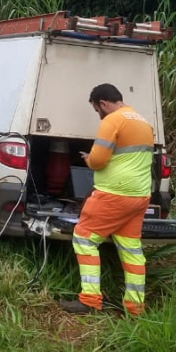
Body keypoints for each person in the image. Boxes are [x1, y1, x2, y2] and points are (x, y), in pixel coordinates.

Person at [59, 84, 155, 315]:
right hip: (139, 196)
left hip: (113, 194)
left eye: (97, 110)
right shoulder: (143, 122)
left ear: (102, 103)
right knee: (131, 250)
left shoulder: (112, 121)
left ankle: (90, 300)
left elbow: (99, 161)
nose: (99, 115)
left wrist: (88, 159)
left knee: (84, 239)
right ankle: (134, 306)